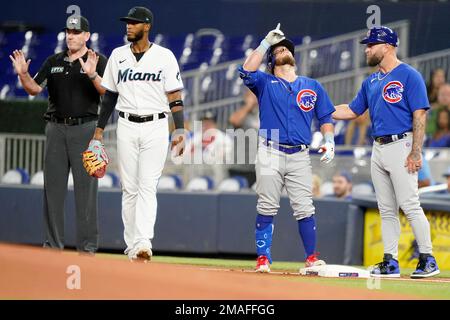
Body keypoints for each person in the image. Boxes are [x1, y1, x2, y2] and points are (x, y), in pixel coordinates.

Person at [333, 26, 440, 278]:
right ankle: (390, 261)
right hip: (378, 147)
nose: (367, 49)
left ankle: (428, 258)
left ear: (388, 46)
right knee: (386, 209)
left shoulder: (408, 75)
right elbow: (351, 110)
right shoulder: (371, 81)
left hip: (402, 144)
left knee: (410, 204)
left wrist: (416, 151)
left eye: (371, 44)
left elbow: (420, 114)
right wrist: (320, 108)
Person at [239, 23, 336, 272]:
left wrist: (329, 139)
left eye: (286, 48)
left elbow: (326, 117)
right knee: (267, 205)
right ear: (271, 61)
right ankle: (263, 259)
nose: (283, 50)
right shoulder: (264, 81)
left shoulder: (312, 85)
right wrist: (264, 43)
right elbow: (246, 70)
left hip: (300, 154)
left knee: (305, 207)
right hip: (270, 149)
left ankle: (312, 259)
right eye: (278, 49)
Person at [92, 6, 185, 261]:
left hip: (156, 125)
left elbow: (175, 97)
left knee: (147, 186)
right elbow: (110, 96)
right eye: (127, 23)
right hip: (126, 125)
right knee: (129, 188)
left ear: (147, 26)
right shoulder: (117, 55)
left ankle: (143, 241)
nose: (128, 26)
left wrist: (180, 129)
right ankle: (132, 244)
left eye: (134, 23)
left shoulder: (164, 56)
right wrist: (99, 130)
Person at [9, 16, 107, 254]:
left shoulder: (97, 60)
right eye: (68, 32)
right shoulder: (53, 61)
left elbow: (107, 91)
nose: (71, 36)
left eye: (76, 32)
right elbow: (34, 89)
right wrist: (23, 74)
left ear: (86, 35)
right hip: (55, 128)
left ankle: (87, 249)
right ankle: (52, 249)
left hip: (85, 129)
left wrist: (92, 74)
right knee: (53, 191)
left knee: (86, 193)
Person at [228, 88, 260, 186]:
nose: (254, 98)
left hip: (256, 168)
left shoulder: (262, 114)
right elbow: (234, 120)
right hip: (239, 167)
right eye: (251, 95)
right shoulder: (243, 113)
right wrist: (248, 105)